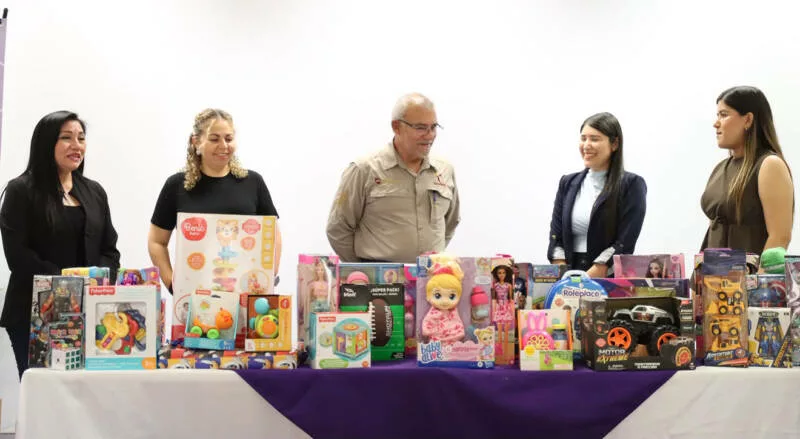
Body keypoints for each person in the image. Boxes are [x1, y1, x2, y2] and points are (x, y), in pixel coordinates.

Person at [0, 111, 120, 378]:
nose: (77, 145)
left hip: (88, 313)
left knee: (84, 392)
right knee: (43, 391)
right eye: (66, 138)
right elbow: (18, 255)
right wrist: (69, 284)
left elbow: (109, 249)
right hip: (35, 314)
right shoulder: (21, 190)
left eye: (81, 138)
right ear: (46, 143)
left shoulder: (94, 191)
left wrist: (98, 280)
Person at [148, 109, 282, 293]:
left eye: (229, 138)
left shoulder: (253, 182)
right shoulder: (176, 185)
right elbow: (156, 241)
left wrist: (268, 275)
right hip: (194, 296)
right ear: (196, 141)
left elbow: (273, 234)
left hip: (246, 295)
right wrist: (172, 284)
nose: (223, 145)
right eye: (214, 139)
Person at [326, 93, 460, 263]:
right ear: (396, 127)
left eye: (433, 127)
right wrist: (364, 270)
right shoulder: (365, 170)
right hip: (377, 277)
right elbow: (338, 228)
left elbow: (450, 223)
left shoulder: (445, 170)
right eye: (420, 128)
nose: (429, 135)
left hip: (430, 276)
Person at [547, 112, 647, 277]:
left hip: (606, 277)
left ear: (614, 144)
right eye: (583, 138)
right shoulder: (567, 183)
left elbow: (625, 242)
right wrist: (565, 276)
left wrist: (586, 279)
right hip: (567, 276)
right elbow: (556, 236)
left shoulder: (632, 184)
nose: (586, 145)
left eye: (594, 139)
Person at [701, 86, 793, 256]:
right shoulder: (720, 169)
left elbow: (780, 237)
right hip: (712, 271)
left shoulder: (769, 165)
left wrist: (760, 273)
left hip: (751, 272)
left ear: (748, 120)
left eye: (724, 115)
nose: (716, 123)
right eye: (717, 115)